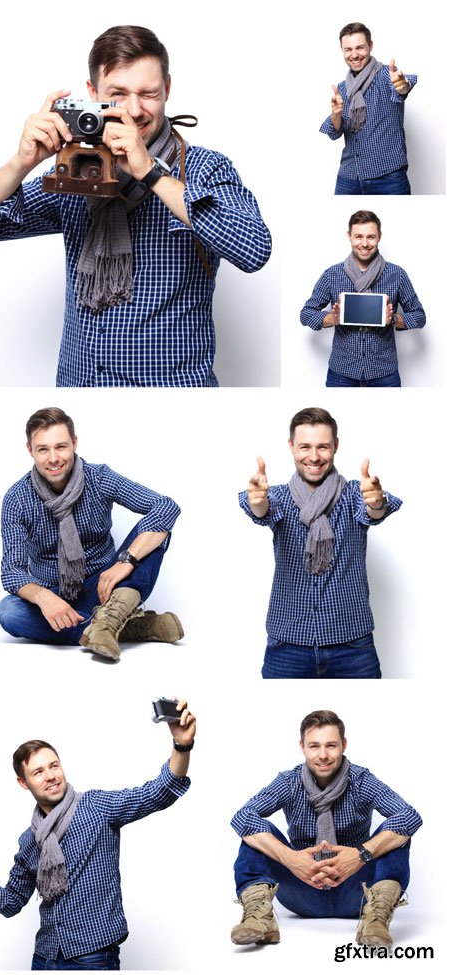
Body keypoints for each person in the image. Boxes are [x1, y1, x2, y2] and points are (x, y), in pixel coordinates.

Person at [0, 25, 272, 387]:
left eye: (149, 93)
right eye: (118, 94)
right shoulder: (79, 170)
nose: (135, 110)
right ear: (92, 94)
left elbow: (254, 249)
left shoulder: (204, 167)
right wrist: (22, 162)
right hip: (81, 387)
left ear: (167, 87)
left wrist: (149, 172)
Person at [0, 707, 196, 970]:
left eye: (54, 766)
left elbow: (154, 794)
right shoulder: (30, 840)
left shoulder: (95, 807)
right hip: (44, 957)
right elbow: (11, 902)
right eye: (38, 772)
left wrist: (182, 745)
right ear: (23, 782)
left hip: (93, 955)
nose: (51, 775)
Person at [0, 406, 183, 660]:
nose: (53, 458)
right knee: (9, 612)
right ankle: (124, 627)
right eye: (43, 449)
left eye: (61, 447)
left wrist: (125, 562)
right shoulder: (16, 498)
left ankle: (110, 620)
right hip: (53, 595)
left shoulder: (98, 478)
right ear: (30, 450)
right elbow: (12, 571)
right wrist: (43, 597)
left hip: (106, 586)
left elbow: (166, 507)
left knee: (157, 529)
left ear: (74, 443)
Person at [231, 710, 421, 949]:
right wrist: (291, 859)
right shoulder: (289, 782)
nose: (323, 755)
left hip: (358, 894)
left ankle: (376, 920)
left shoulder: (361, 780)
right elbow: (242, 816)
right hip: (302, 891)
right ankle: (259, 919)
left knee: (396, 831)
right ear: (302, 747)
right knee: (256, 830)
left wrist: (360, 855)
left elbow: (409, 816)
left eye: (331, 745)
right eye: (314, 746)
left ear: (343, 744)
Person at [239, 407, 402, 679]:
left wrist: (376, 503)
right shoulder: (277, 495)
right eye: (305, 446)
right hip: (287, 645)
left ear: (336, 446)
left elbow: (375, 511)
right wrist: (259, 502)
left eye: (323, 447)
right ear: (291, 446)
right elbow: (262, 511)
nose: (314, 457)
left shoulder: (353, 494)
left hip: (353, 646)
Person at [300, 209, 425, 387]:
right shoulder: (332, 274)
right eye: (358, 236)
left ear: (379, 236)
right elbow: (305, 314)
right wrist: (332, 319)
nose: (364, 243)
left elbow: (420, 317)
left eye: (371, 237)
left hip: (384, 371)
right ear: (349, 236)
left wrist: (393, 319)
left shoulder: (397, 274)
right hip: (342, 371)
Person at [320, 22, 417, 195]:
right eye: (348, 49)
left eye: (360, 47)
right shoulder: (343, 88)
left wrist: (402, 85)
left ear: (370, 46)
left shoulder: (386, 74)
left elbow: (403, 86)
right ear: (342, 51)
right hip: (349, 176)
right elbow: (334, 133)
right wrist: (336, 114)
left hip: (389, 177)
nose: (354, 55)